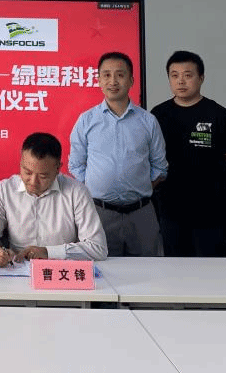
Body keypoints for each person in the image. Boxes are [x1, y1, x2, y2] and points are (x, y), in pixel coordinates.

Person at [68, 52, 167, 256]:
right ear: (98, 81)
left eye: (120, 75)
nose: (113, 81)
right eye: (106, 75)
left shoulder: (148, 121)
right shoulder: (86, 120)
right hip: (98, 213)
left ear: (131, 80)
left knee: (147, 270)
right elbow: (76, 165)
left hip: (141, 214)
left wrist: (140, 187)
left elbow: (160, 166)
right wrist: (95, 186)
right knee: (103, 269)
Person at [152, 50, 226, 257]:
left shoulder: (219, 114)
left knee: (211, 270)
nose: (181, 81)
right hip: (171, 209)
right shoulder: (157, 115)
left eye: (188, 75)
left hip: (211, 211)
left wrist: (223, 198)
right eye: (174, 75)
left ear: (201, 78)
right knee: (174, 268)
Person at [0, 132, 107, 264]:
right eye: (27, 172)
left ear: (58, 169)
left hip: (61, 269)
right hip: (17, 266)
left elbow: (97, 248)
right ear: (21, 163)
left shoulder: (76, 192)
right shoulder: (5, 190)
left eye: (43, 176)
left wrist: (48, 252)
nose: (33, 182)